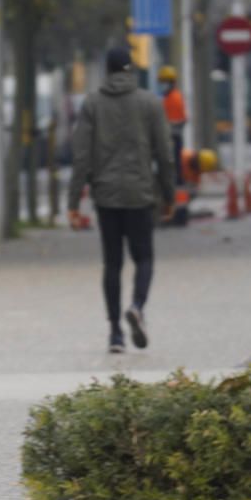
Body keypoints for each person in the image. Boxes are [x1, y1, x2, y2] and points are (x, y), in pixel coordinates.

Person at [68, 47, 175, 354]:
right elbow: (165, 155)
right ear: (131, 69)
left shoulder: (93, 104)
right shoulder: (150, 104)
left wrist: (74, 202)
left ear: (107, 70)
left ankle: (115, 333)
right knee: (144, 258)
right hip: (140, 195)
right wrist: (169, 195)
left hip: (106, 197)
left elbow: (81, 156)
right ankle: (138, 306)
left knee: (112, 263)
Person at [158, 65, 187, 185]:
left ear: (172, 82)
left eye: (166, 82)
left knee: (174, 162)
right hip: (167, 135)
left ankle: (177, 182)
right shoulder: (166, 97)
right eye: (162, 82)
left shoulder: (175, 97)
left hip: (173, 135)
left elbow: (181, 119)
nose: (164, 84)